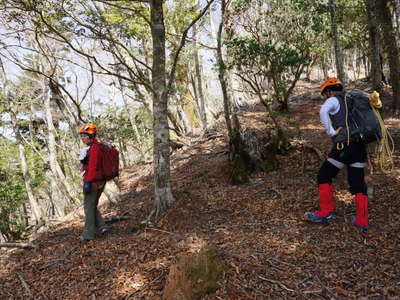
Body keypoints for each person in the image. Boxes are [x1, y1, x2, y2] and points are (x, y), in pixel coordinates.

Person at [305, 78, 369, 231]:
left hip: (343, 147)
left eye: (326, 94)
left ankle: (325, 212)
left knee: (324, 176)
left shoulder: (333, 100)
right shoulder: (353, 100)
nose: (326, 97)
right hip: (359, 148)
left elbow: (323, 111)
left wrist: (331, 132)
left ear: (330, 91)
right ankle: (362, 220)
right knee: (358, 183)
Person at [79, 123, 108, 241]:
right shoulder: (95, 147)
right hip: (99, 180)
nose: (82, 138)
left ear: (91, 136)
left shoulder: (95, 148)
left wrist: (88, 182)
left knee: (88, 207)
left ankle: (88, 235)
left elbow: (93, 167)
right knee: (92, 205)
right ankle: (102, 226)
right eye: (82, 136)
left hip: (94, 181)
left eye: (84, 136)